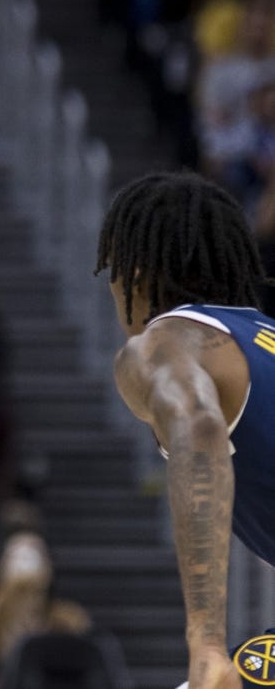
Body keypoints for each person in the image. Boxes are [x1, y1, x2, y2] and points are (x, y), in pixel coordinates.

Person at [95, 170, 275, 689]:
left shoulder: (163, 344)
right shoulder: (261, 339)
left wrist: (207, 643)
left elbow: (198, 428)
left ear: (134, 272)